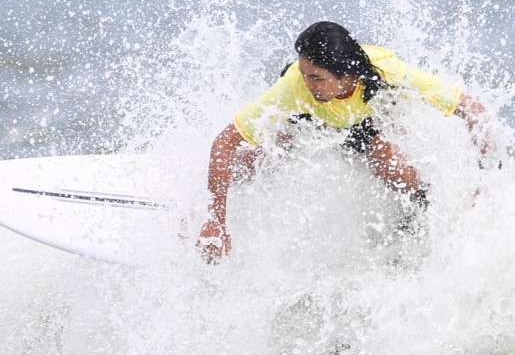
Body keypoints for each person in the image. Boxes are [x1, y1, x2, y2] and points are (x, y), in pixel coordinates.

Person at [197, 21, 491, 263]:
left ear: (345, 73)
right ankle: (200, 209)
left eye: (316, 77)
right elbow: (225, 142)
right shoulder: (296, 89)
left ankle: (418, 225)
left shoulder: (387, 70)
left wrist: (486, 178)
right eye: (304, 74)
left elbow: (470, 109)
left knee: (392, 167)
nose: (308, 83)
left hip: (365, 120)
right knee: (263, 158)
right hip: (308, 118)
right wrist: (216, 221)